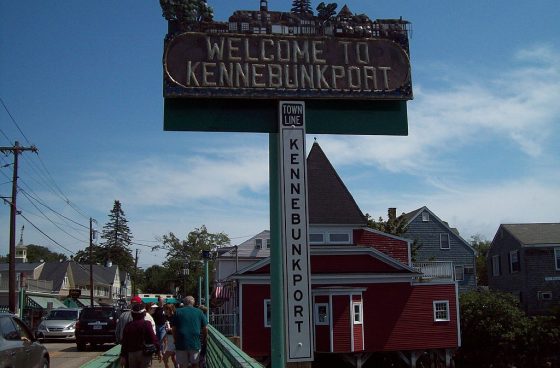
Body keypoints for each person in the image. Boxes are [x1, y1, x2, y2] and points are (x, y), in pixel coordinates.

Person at [120, 303, 162, 368]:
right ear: (143, 313)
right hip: (144, 353)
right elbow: (153, 338)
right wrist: (159, 350)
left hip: (131, 354)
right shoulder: (147, 324)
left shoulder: (128, 325)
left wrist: (123, 356)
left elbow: (124, 342)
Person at [172, 296, 208, 368]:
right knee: (195, 364)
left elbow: (174, 329)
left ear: (184, 303)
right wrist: (204, 338)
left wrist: (175, 339)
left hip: (181, 343)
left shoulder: (177, 311)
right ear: (193, 302)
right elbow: (205, 328)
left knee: (183, 365)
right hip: (195, 342)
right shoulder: (199, 312)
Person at [162, 304, 178, 368]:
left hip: (173, 338)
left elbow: (178, 327)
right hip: (169, 337)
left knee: (165, 357)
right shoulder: (166, 316)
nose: (164, 310)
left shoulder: (174, 317)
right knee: (173, 358)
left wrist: (171, 329)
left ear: (170, 309)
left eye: (166, 309)